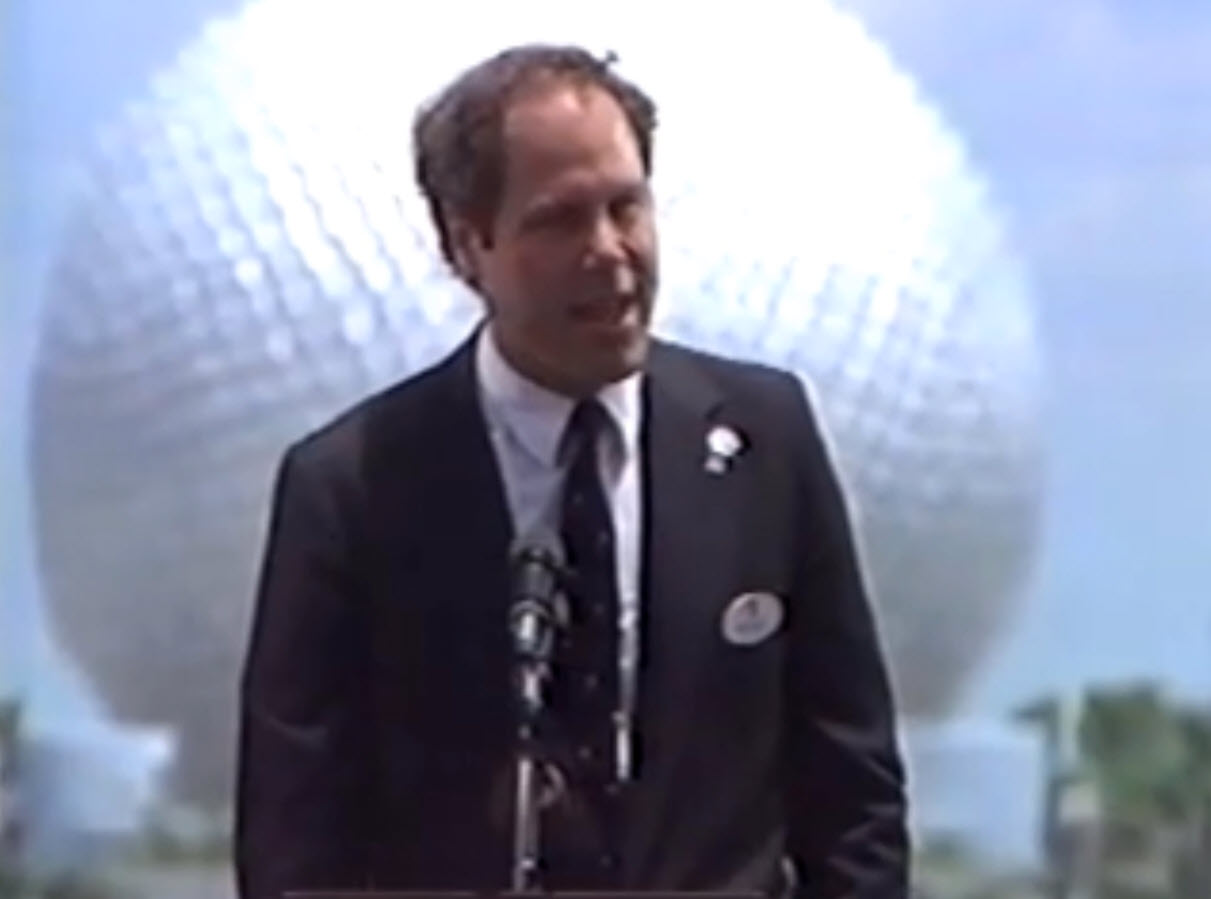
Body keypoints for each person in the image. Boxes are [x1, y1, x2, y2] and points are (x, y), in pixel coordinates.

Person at [235, 43, 909, 899]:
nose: (609, 250)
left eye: (626, 206)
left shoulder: (764, 440)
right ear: (466, 244)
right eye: (558, 220)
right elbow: (295, 832)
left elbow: (849, 783)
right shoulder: (352, 486)